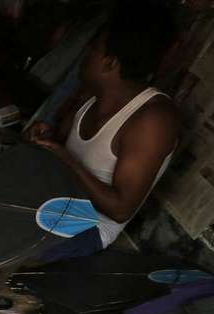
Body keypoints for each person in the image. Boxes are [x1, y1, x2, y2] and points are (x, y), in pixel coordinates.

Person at [24, 1, 179, 261]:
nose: (84, 58)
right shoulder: (91, 94)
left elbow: (120, 209)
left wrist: (63, 156)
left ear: (109, 63)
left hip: (89, 224)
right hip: (55, 195)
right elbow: (62, 147)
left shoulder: (152, 120)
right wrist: (46, 138)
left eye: (91, 51)